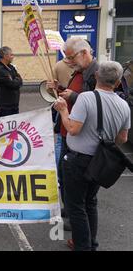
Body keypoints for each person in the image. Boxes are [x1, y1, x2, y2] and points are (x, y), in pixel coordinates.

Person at [53, 61, 130, 251]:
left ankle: (83, 246)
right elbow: (122, 138)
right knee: (90, 203)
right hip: (101, 161)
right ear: (118, 82)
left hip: (78, 160)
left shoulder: (86, 98)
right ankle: (90, 243)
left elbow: (73, 129)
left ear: (96, 76)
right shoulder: (123, 105)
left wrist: (63, 110)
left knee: (76, 208)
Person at [47, 38, 99, 231]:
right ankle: (69, 210)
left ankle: (76, 218)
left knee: (76, 184)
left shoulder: (96, 74)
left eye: (71, 57)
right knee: (63, 175)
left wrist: (73, 97)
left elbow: (94, 103)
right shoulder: (80, 71)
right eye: (67, 58)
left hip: (78, 136)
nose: (68, 62)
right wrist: (59, 89)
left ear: (84, 53)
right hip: (66, 131)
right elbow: (74, 94)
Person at [0, 46, 22, 117]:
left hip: (14, 104)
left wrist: (17, 79)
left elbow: (20, 79)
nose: (13, 57)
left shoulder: (10, 67)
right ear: (5, 56)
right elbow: (12, 84)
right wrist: (17, 79)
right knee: (6, 127)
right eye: (11, 55)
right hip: (5, 106)